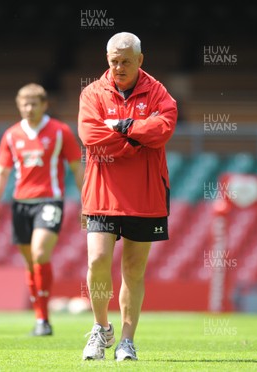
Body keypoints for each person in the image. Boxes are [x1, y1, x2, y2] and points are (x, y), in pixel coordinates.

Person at [78, 32, 177, 361]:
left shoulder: (158, 91)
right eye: (113, 61)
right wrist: (137, 136)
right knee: (96, 260)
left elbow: (163, 129)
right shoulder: (92, 93)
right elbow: (91, 136)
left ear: (140, 60)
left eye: (124, 61)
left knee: (133, 271)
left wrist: (122, 126)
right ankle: (100, 328)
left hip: (145, 195)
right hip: (102, 193)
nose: (118, 67)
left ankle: (126, 340)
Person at [0, 83, 83, 336]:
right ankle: (42, 318)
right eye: (24, 104)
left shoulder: (60, 132)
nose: (28, 109)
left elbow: (77, 167)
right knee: (30, 264)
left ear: (44, 105)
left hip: (50, 201)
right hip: (20, 204)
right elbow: (1, 171)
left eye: (33, 104)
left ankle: (43, 318)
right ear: (19, 106)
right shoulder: (11, 135)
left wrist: (87, 202)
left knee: (40, 254)